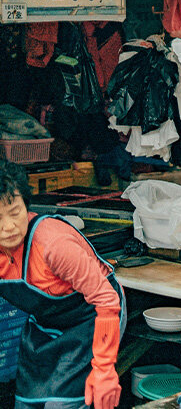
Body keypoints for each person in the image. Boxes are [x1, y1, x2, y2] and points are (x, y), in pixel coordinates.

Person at [0, 160, 125, 409]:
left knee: (62, 404)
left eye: (15, 212)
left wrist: (104, 368)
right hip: (46, 325)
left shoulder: (53, 245)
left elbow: (106, 300)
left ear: (27, 205)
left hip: (92, 319)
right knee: (26, 402)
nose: (8, 227)